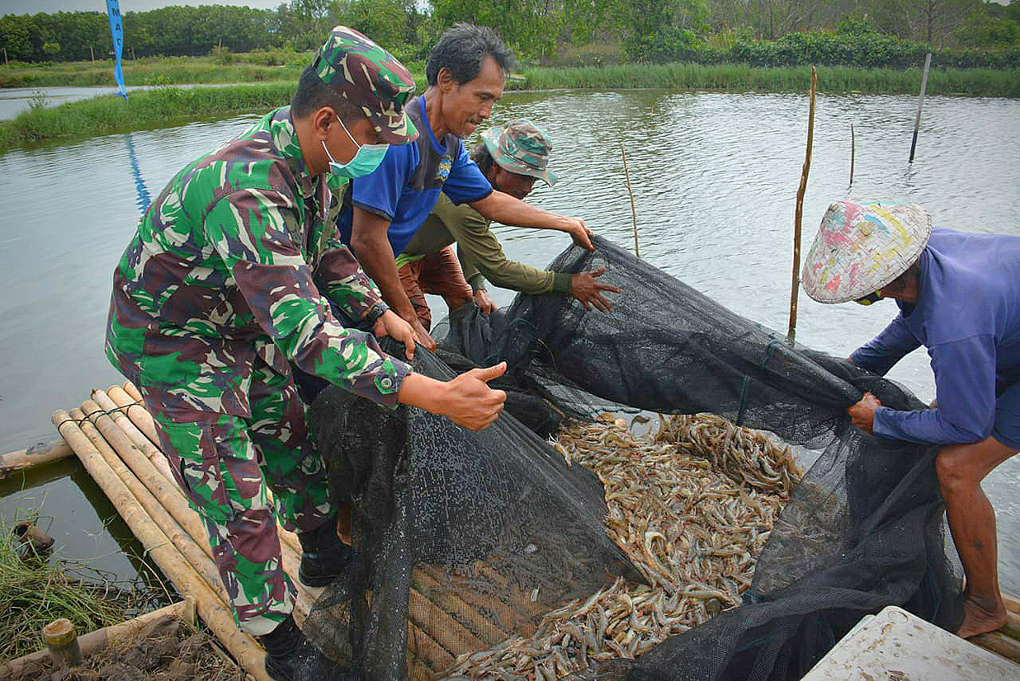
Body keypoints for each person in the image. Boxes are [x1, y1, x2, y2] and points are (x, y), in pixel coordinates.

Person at [104, 27, 506, 681]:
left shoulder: (313, 158)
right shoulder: (250, 192)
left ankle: (320, 548)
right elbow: (309, 338)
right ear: (328, 120)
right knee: (232, 485)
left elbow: (327, 253)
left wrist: (379, 311)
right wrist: (433, 393)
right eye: (375, 140)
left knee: (289, 429)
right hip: (171, 339)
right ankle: (282, 643)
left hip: (238, 321)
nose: (380, 153)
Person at [801, 200, 1020, 640]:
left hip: (989, 339)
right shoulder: (928, 255)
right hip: (1005, 337)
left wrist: (881, 421)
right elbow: (910, 325)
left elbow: (968, 427)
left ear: (888, 283)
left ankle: (985, 605)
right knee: (945, 413)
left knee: (955, 468)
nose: (869, 298)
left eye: (866, 294)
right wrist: (850, 372)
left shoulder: (957, 319)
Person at [336, 23, 594, 350]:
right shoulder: (400, 138)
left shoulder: (451, 144)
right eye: (481, 98)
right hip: (339, 275)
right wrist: (407, 315)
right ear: (446, 81)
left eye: (494, 101)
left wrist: (563, 222)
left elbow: (489, 201)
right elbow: (367, 239)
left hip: (370, 270)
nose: (486, 113)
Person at [395, 119, 620, 330]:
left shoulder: (487, 186)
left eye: (533, 180)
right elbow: (499, 270)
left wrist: (477, 286)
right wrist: (567, 283)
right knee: (417, 322)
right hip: (395, 253)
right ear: (496, 166)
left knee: (464, 302)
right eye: (523, 177)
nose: (528, 189)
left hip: (431, 249)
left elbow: (471, 239)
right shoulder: (466, 203)